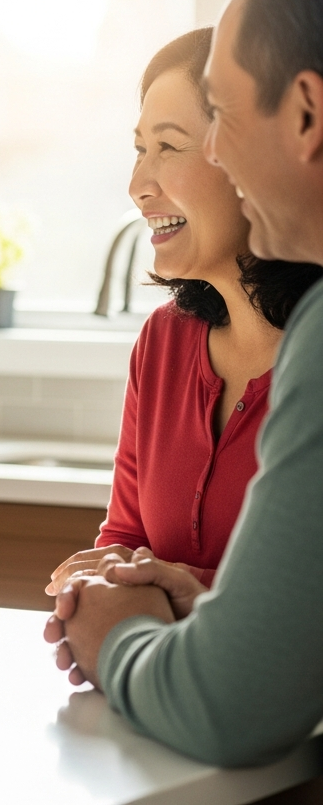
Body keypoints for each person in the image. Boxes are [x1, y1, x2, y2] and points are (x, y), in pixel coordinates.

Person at [44, 0, 323, 767]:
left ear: (305, 113)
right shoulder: (167, 345)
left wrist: (125, 632)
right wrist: (135, 594)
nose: (142, 182)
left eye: (215, 125)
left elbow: (236, 702)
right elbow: (128, 549)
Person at [47, 30, 320, 596]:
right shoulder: (164, 342)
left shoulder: (313, 354)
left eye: (169, 147)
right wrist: (99, 584)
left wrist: (178, 593)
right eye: (140, 150)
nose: (138, 186)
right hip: (167, 683)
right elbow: (125, 538)